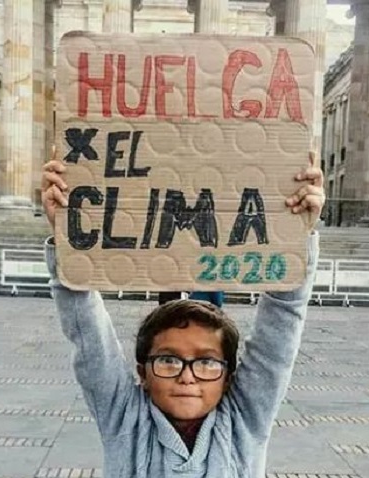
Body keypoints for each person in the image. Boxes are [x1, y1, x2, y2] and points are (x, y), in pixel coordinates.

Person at [41, 149, 324, 477]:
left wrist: (296, 234)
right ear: (142, 374)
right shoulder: (124, 419)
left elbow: (283, 321)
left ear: (229, 377)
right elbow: (86, 330)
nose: (186, 375)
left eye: (207, 362)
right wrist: (67, 235)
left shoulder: (245, 422)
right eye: (168, 360)